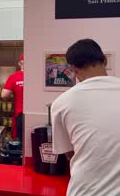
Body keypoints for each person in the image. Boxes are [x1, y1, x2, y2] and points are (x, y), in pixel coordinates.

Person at [51, 39, 120, 196]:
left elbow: (69, 153)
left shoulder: (61, 103)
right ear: (104, 60)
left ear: (73, 68)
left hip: (85, 191)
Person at [2, 54, 24, 141]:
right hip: (35, 113)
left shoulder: (14, 77)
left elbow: (4, 95)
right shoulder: (36, 76)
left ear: (19, 63)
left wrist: (13, 92)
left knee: (21, 142)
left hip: (20, 114)